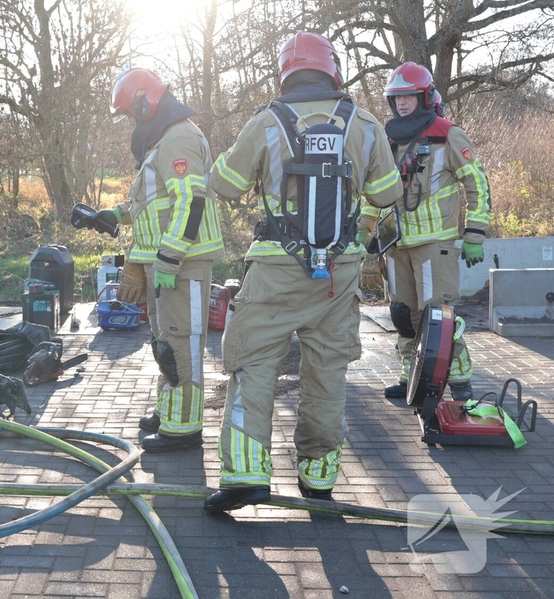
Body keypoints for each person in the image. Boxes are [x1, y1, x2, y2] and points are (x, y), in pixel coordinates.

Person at [203, 31, 402, 511]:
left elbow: (224, 186)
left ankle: (247, 475)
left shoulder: (267, 122)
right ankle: (318, 477)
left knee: (253, 362)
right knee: (326, 373)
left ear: (286, 73)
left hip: (275, 268)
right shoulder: (367, 124)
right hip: (340, 273)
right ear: (332, 69)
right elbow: (389, 194)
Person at [96, 67, 224, 453]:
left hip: (183, 262)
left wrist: (168, 260)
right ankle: (169, 411)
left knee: (182, 344)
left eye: (132, 113)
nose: (131, 122)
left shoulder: (179, 137)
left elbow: (191, 201)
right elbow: (152, 201)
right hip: (164, 263)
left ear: (145, 102)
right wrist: (113, 215)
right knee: (165, 343)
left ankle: (185, 429)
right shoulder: (161, 139)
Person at [362, 62, 491, 402]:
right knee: (403, 316)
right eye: (396, 98)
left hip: (435, 245)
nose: (402, 104)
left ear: (424, 97)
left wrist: (475, 233)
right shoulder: (387, 141)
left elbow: (476, 183)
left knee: (437, 317)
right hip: (396, 245)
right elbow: (376, 193)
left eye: (408, 96)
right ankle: (410, 376)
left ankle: (461, 381)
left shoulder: (448, 133)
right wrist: (366, 239)